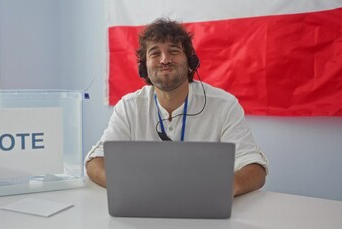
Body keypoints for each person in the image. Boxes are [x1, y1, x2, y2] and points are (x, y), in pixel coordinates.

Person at [85, 18, 268, 197]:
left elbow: (255, 168)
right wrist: (126, 185)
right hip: (144, 208)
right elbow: (95, 161)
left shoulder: (224, 105)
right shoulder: (128, 107)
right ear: (144, 68)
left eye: (173, 51)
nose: (165, 60)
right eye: (155, 53)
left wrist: (227, 187)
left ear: (190, 62)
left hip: (205, 212)